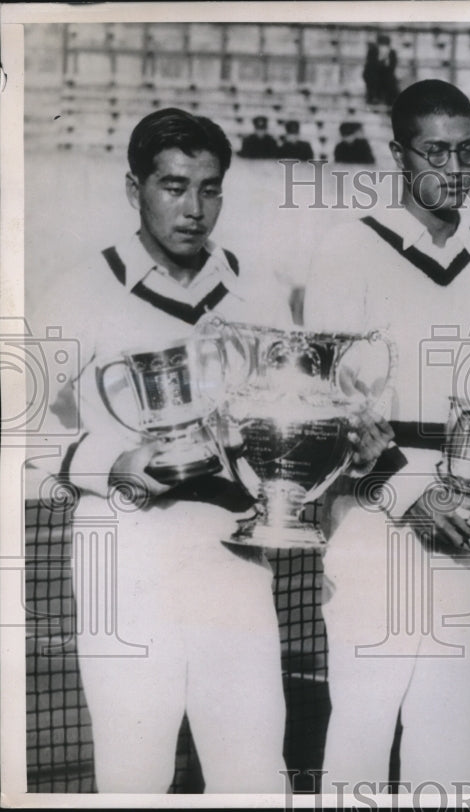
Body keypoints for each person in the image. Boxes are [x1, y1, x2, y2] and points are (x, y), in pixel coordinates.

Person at [38, 108, 288, 792]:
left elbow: (288, 419)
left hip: (232, 553)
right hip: (126, 553)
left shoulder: (257, 290)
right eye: (174, 186)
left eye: (209, 189)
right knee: (134, 775)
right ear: (134, 189)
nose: (193, 208)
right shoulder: (78, 290)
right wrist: (109, 464)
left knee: (253, 779)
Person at [300, 79, 470, 790]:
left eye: (468, 152)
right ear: (399, 154)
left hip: (468, 516)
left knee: (454, 727)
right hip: (372, 515)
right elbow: (328, 408)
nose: (454, 169)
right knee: (366, 719)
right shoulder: (346, 249)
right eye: (437, 152)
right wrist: (409, 495)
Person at [363, 33, 400, 106]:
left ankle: (392, 102)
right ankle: (373, 97)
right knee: (373, 78)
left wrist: (386, 62)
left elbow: (392, 67)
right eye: (381, 45)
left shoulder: (392, 53)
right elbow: (370, 65)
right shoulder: (372, 51)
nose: (383, 47)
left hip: (386, 74)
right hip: (373, 73)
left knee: (390, 80)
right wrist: (380, 60)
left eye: (385, 45)